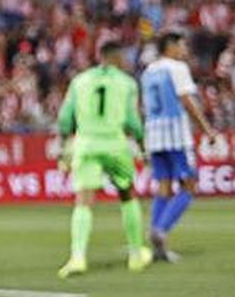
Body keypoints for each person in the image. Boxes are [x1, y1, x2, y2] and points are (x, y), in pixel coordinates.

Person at [56, 41, 152, 279]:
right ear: (117, 57)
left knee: (83, 201)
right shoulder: (127, 83)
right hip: (114, 144)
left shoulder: (80, 80)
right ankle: (136, 254)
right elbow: (133, 121)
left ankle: (77, 257)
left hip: (86, 143)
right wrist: (142, 146)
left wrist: (63, 145)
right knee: (127, 195)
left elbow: (65, 118)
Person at [140, 32, 219, 262]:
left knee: (163, 186)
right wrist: (207, 130)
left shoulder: (148, 71)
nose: (185, 49)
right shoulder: (177, 68)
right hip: (175, 134)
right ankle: (160, 230)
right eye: (182, 44)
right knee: (189, 185)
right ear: (171, 47)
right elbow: (187, 101)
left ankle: (157, 243)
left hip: (154, 134)